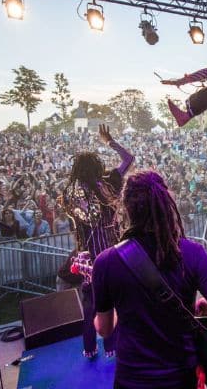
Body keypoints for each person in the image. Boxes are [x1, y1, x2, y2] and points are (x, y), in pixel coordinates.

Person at [92, 171, 207, 388]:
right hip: (180, 378)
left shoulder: (106, 262)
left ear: (126, 208)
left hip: (131, 379)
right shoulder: (193, 253)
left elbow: (104, 329)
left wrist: (123, 304)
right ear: (167, 204)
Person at [59, 124, 134, 360]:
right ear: (97, 167)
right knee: (118, 299)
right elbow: (128, 158)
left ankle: (90, 348)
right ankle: (113, 347)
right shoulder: (109, 183)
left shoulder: (71, 194)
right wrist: (109, 141)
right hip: (112, 251)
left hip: (89, 255)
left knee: (91, 303)